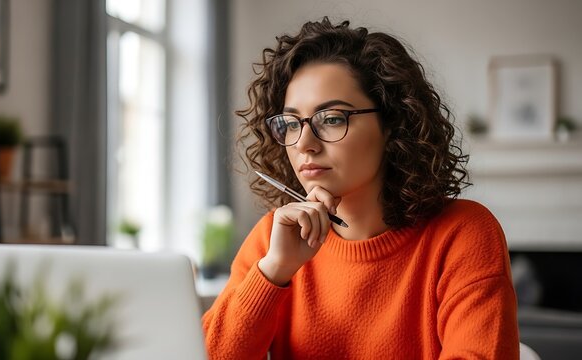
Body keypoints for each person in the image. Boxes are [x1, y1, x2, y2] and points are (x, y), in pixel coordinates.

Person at [202, 17, 519, 359]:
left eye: (333, 118)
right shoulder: (272, 240)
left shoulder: (462, 232)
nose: (304, 143)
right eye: (291, 123)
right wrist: (274, 271)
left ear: (393, 124)